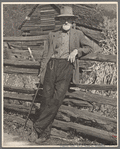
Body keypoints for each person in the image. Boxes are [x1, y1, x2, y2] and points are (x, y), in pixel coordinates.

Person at [28, 5, 94, 144]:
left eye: (68, 19)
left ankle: (37, 128)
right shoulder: (52, 34)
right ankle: (45, 135)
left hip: (66, 67)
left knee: (57, 99)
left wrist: (77, 51)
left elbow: (90, 47)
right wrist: (42, 71)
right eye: (63, 19)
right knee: (46, 98)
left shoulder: (78, 34)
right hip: (52, 66)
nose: (66, 22)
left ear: (72, 21)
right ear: (60, 20)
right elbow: (46, 54)